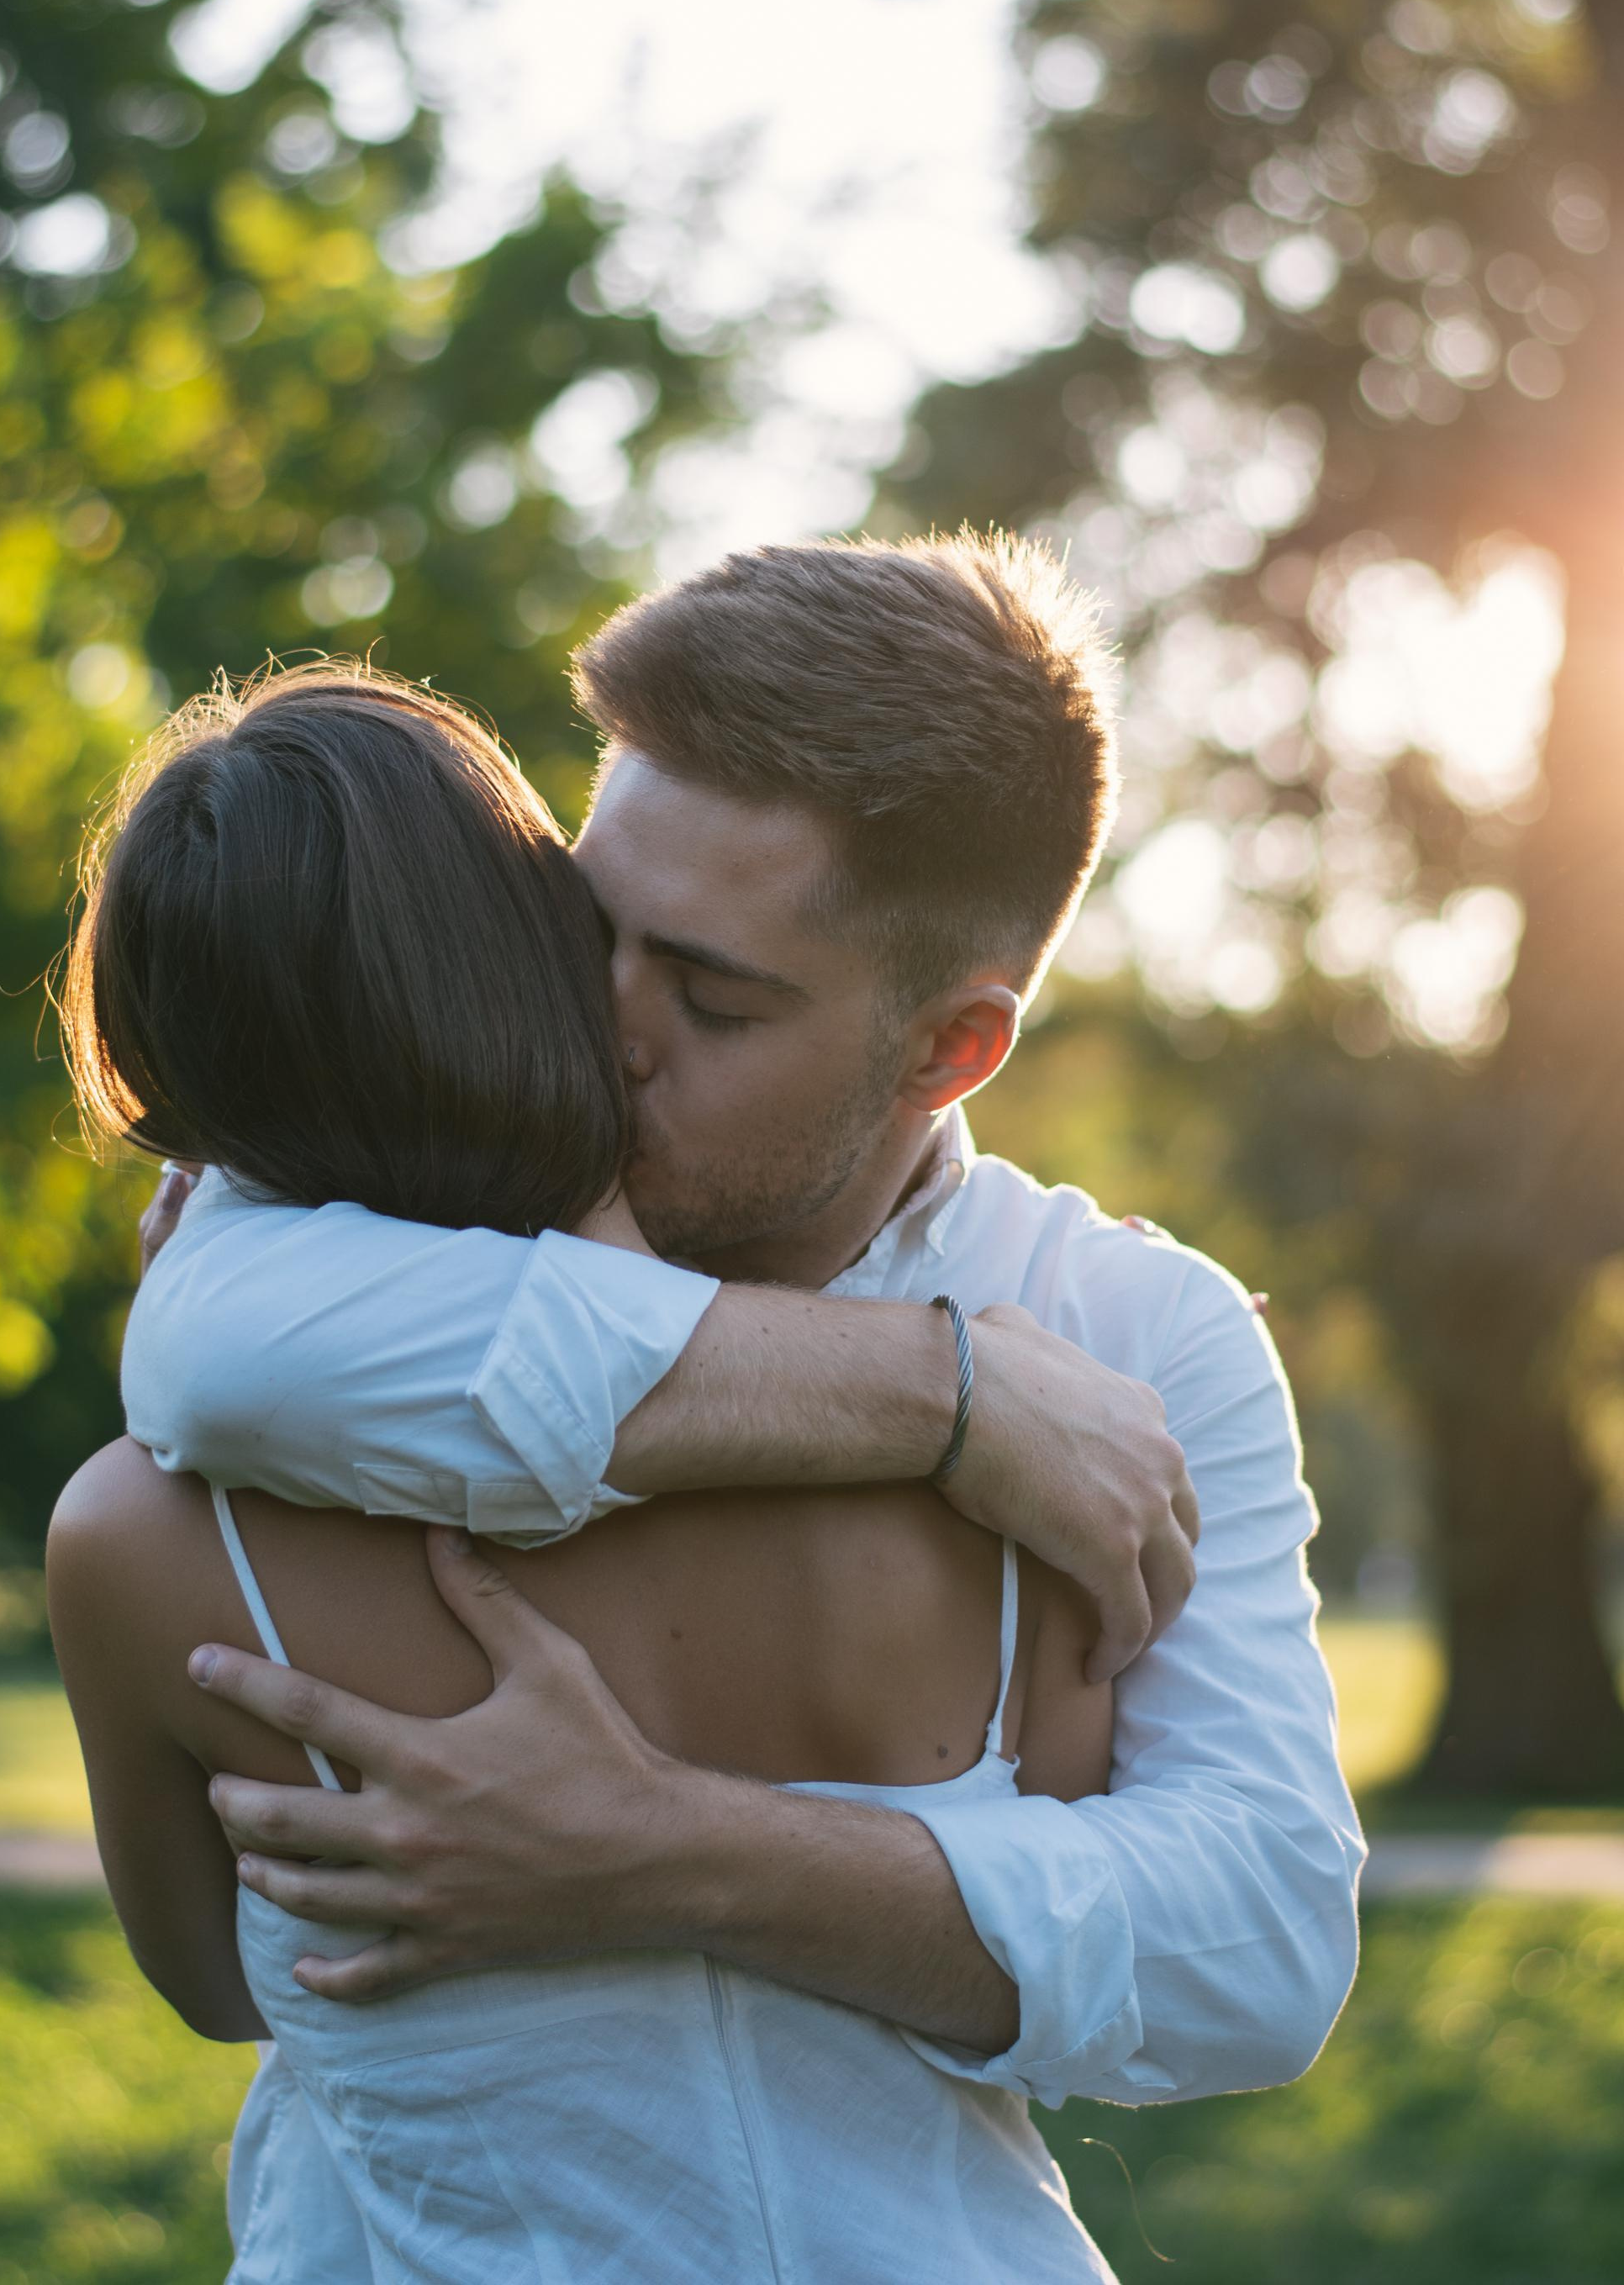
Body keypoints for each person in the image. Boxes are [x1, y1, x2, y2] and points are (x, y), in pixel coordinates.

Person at [114, 536, 1362, 2103]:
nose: (605, 1026)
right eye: (583, 931)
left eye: (713, 1001)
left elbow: (1258, 1946)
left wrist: (667, 1856)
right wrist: (943, 1396)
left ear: (953, 1048)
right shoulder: (402, 1202)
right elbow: (196, 1347)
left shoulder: (1132, 1333)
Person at [50, 654, 1128, 2280]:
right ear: (530, 948)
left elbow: (220, 1989)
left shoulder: (137, 1537)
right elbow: (1048, 1927)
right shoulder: (987, 1454)